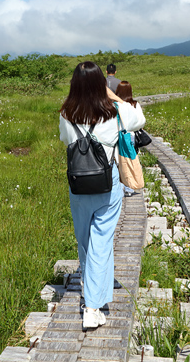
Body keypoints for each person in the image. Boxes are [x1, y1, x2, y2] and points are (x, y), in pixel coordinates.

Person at [59, 61, 145, 329]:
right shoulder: (116, 110)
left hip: (79, 187)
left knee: (85, 240)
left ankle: (93, 287)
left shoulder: (66, 112)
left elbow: (66, 140)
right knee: (101, 241)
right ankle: (93, 305)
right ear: (101, 84)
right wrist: (114, 95)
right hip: (107, 186)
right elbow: (139, 119)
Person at [113, 81, 143, 197]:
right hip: (130, 135)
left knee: (118, 161)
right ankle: (129, 186)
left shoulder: (115, 105)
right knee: (130, 160)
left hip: (118, 136)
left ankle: (120, 186)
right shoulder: (135, 104)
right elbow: (140, 121)